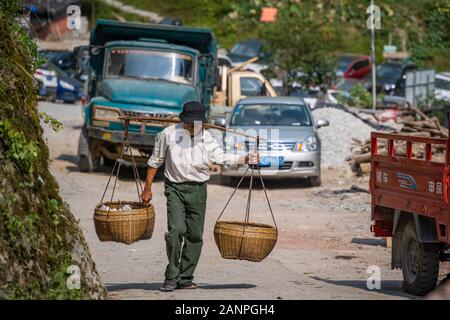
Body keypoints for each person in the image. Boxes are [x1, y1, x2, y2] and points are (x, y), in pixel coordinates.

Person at [140, 101, 259, 292]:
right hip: (175, 188)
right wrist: (147, 189)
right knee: (176, 230)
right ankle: (171, 275)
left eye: (195, 123)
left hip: (198, 190)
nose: (191, 126)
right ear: (183, 121)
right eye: (188, 122)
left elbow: (222, 158)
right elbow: (155, 162)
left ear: (202, 123)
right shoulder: (168, 134)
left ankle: (185, 278)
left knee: (195, 235)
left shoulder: (209, 139)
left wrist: (244, 158)